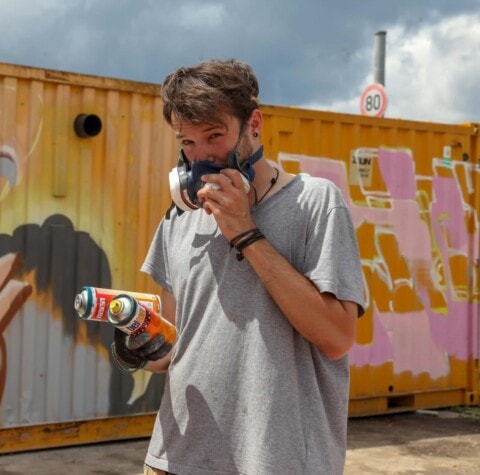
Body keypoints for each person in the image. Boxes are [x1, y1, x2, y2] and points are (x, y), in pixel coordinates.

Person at [112, 58, 365, 475]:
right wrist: (136, 343)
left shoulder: (317, 203)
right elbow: (172, 347)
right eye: (187, 142)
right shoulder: (178, 219)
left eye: (214, 136)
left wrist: (245, 233)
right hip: (175, 459)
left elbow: (337, 337)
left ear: (254, 124)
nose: (201, 157)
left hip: (279, 461)